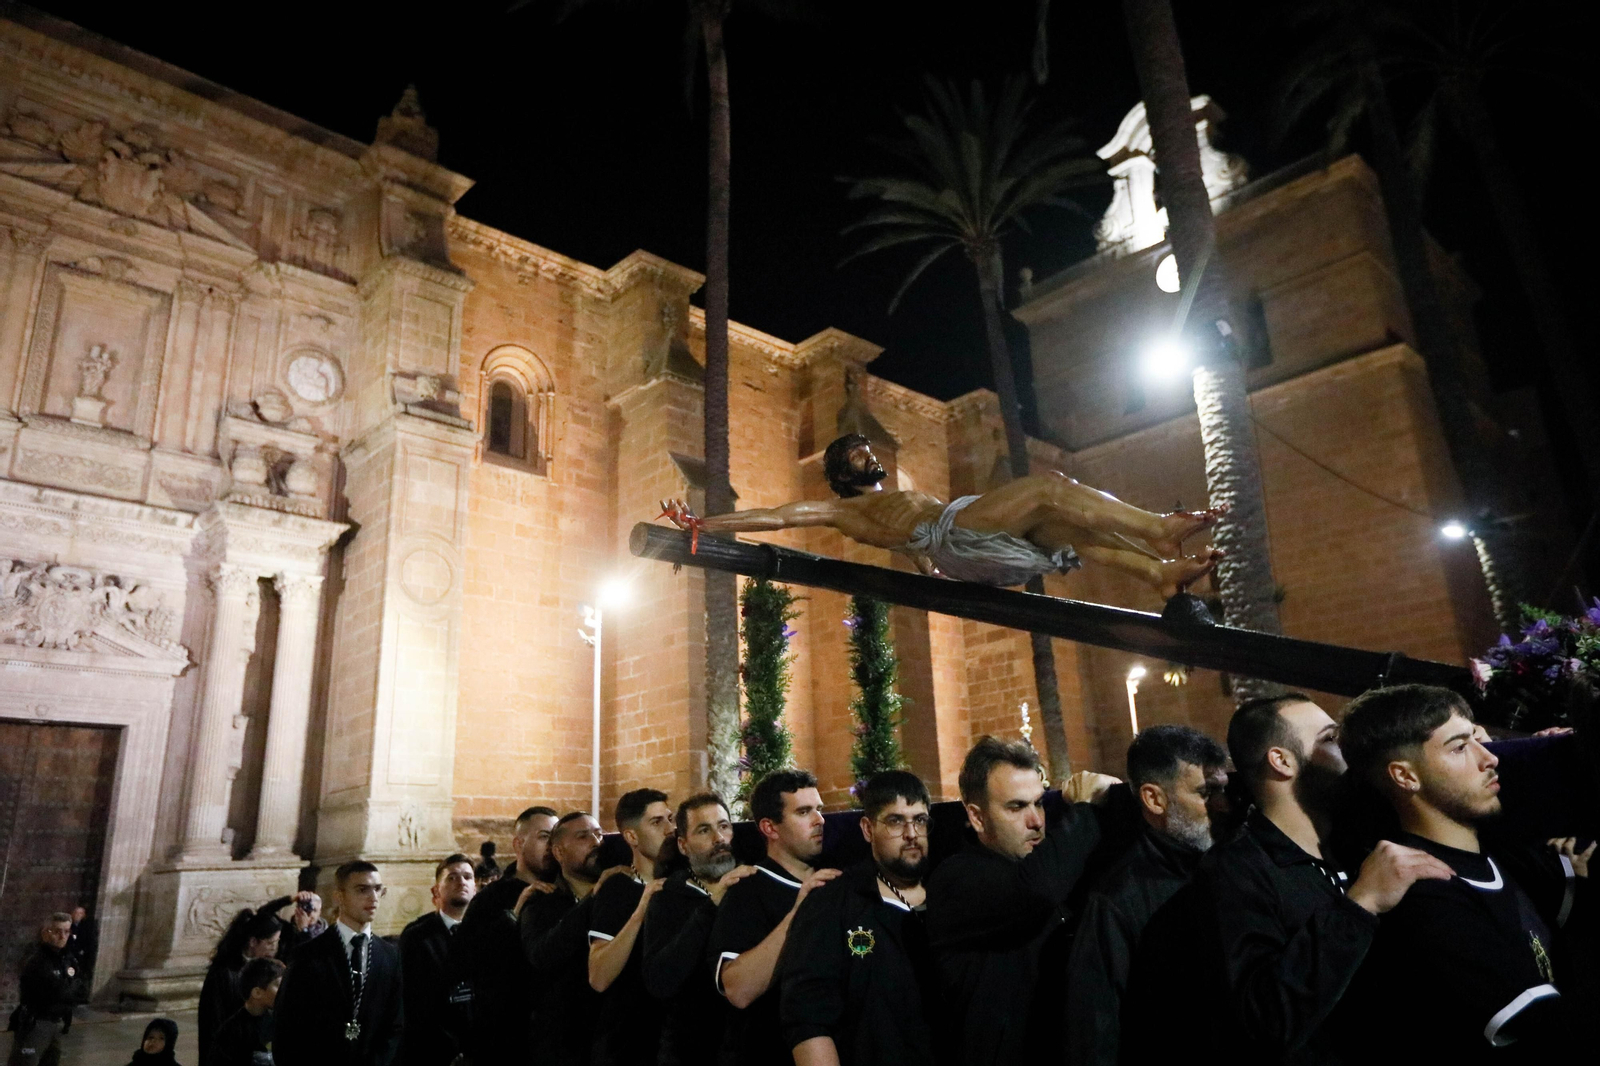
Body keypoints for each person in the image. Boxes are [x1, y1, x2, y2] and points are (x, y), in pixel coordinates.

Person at [1123, 693, 1454, 1064]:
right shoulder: (1233, 875)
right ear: (1281, 760)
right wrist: (1359, 906)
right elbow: (1265, 1018)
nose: (1347, 750)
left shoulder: (1357, 843)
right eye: (1330, 739)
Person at [1338, 684, 1592, 1056]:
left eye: (1477, 739)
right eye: (1459, 747)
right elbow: (1550, 1034)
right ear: (1405, 776)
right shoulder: (1425, 896)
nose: (1489, 758)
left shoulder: (1496, 856)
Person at [660, 433, 1226, 597]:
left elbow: (913, 552)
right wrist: (704, 524)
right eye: (855, 453)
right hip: (957, 533)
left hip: (961, 542)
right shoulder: (842, 512)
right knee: (1051, 487)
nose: (869, 454)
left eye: (867, 448)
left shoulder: (899, 489)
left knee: (1067, 527)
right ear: (839, 473)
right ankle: (1158, 527)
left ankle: (1157, 572)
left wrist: (931, 574)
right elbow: (779, 516)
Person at [923, 737, 1116, 1064]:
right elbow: (1037, 890)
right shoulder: (955, 880)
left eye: (1039, 803)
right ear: (977, 816)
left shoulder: (1046, 865)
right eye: (1016, 807)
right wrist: (1084, 809)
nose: (1037, 821)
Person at [1064, 724, 1227, 1066]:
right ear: (1154, 798)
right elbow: (1094, 1030)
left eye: (1223, 790)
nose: (1222, 806)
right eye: (1205, 792)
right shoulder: (1117, 900)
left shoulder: (1234, 868)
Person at [781, 770, 939, 1066]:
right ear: (867, 829)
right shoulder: (834, 902)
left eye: (919, 820)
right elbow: (806, 1015)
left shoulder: (951, 896)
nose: (911, 834)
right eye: (895, 821)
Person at [710, 769, 840, 1066]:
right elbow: (738, 989)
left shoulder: (837, 881)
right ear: (770, 828)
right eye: (804, 812)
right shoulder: (748, 889)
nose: (819, 820)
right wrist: (798, 913)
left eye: (819, 809)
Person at [641, 794, 758, 1066]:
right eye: (704, 830)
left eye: (724, 826)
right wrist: (712, 903)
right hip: (689, 1052)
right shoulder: (668, 896)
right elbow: (660, 980)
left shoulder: (753, 883)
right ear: (683, 845)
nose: (719, 838)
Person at [452, 805, 557, 1063]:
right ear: (519, 843)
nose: (551, 846)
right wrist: (514, 914)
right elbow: (465, 961)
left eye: (555, 838)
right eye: (544, 837)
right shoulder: (491, 900)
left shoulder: (562, 893)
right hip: (504, 1040)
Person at [273, 861, 403, 1066]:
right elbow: (286, 1028)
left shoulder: (390, 955)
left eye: (378, 889)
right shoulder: (308, 954)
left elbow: (395, 1024)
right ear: (339, 896)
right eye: (362, 890)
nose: (374, 898)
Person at [587, 789, 673, 1066]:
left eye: (670, 819)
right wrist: (640, 911)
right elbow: (599, 976)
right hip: (627, 1046)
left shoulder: (683, 886)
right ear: (632, 836)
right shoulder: (617, 888)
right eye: (657, 822)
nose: (670, 829)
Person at [520, 811, 613, 1066]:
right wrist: (593, 898)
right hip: (564, 1045)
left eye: (599, 834)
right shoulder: (541, 903)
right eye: (584, 837)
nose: (596, 842)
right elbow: (542, 954)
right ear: (559, 853)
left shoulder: (619, 896)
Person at [399, 854, 477, 1066]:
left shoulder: (485, 932)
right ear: (436, 890)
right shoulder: (417, 937)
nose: (461, 882)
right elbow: (414, 1002)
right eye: (452, 877)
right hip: (434, 1052)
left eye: (468, 877)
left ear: (475, 888)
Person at [198, 907, 282, 1066]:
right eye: (270, 943)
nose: (274, 949)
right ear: (253, 942)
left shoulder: (268, 967)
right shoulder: (224, 973)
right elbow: (212, 1024)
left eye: (277, 942)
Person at [5, 913, 80, 1066]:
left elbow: (80, 987)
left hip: (56, 1022)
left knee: (51, 1060)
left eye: (67, 932)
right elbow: (54, 992)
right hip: (36, 1023)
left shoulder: (66, 958)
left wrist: (70, 989)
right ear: (46, 932)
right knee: (26, 1059)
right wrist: (69, 988)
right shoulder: (36, 958)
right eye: (57, 931)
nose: (63, 936)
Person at [210, 957, 283, 1065]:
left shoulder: (280, 1022)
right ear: (257, 993)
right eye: (278, 985)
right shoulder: (231, 1032)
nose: (283, 990)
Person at [65, 907, 96, 987]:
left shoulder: (87, 927)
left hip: (82, 958)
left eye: (80, 913)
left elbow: (89, 942)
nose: (77, 915)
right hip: (69, 956)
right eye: (76, 913)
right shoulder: (68, 926)